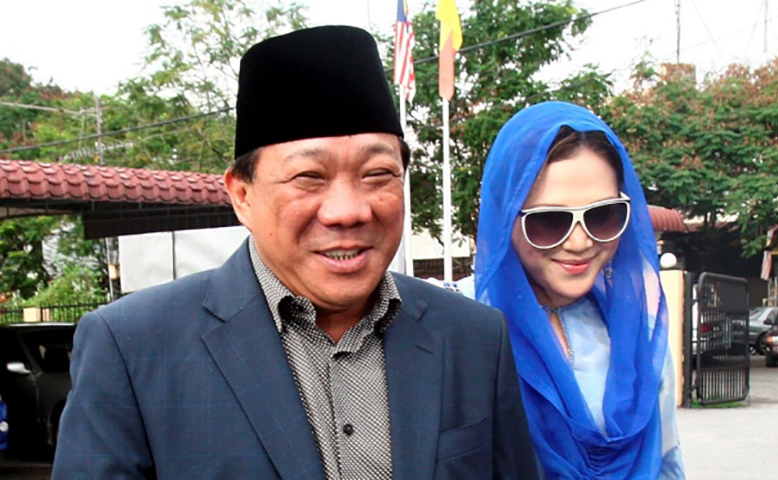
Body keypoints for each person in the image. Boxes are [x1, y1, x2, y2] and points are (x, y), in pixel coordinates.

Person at [52, 26, 540, 479]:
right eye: (309, 177)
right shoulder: (133, 348)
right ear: (242, 195)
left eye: (377, 175)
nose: (348, 211)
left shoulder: (474, 337)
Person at [474, 101, 685, 478]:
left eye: (603, 216)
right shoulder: (460, 330)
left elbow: (667, 461)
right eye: (549, 221)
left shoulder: (641, 338)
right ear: (504, 216)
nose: (579, 242)